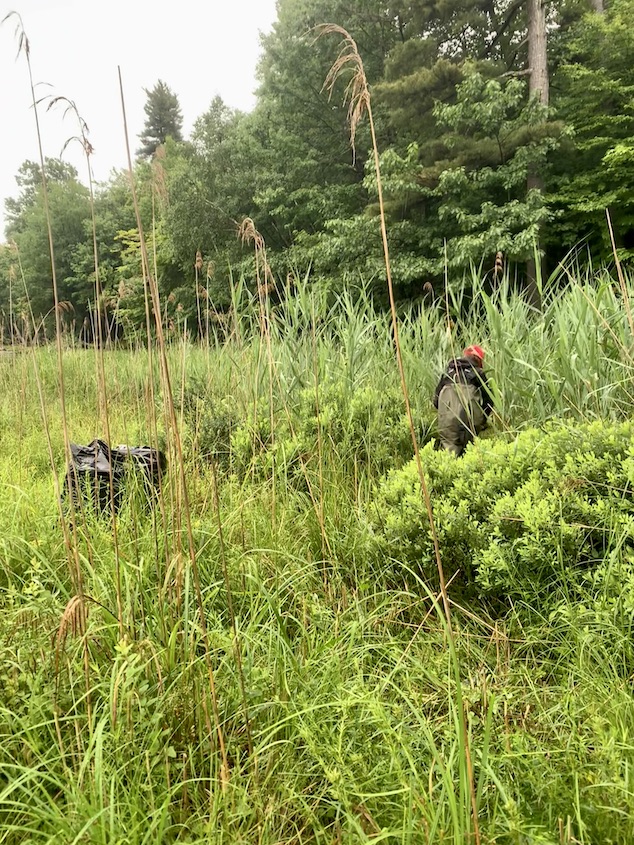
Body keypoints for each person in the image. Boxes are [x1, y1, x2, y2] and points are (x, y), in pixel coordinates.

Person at [433, 344, 493, 456]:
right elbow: (489, 402)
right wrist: (483, 421)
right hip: (470, 421)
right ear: (479, 360)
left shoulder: (448, 373)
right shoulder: (478, 374)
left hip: (447, 421)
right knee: (468, 453)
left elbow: (436, 402)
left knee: (448, 454)